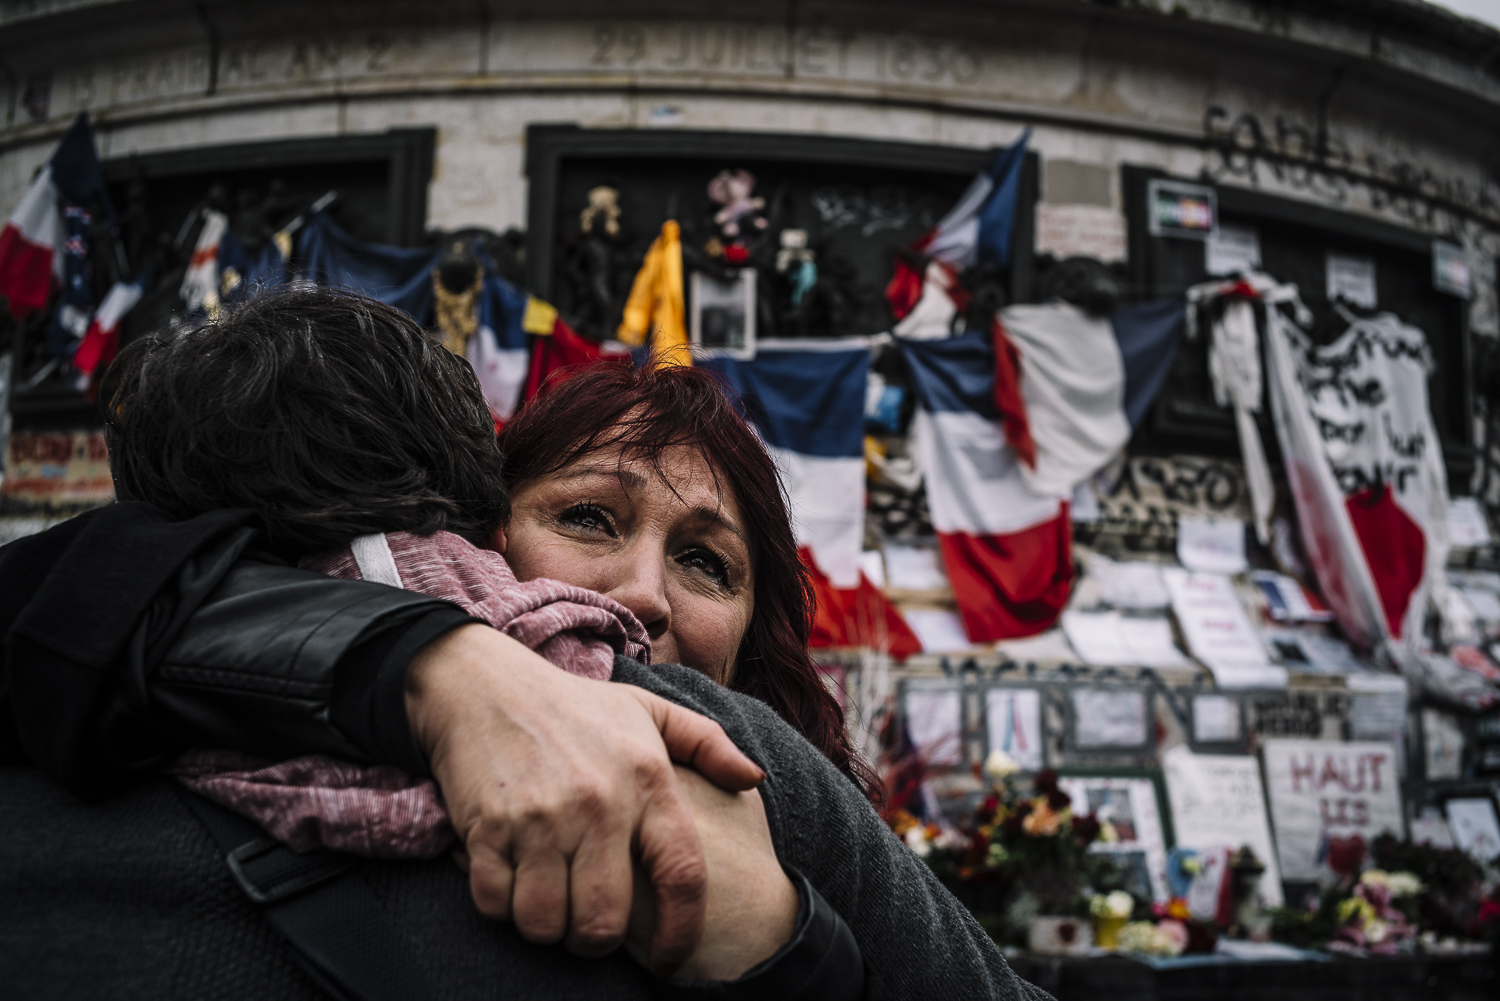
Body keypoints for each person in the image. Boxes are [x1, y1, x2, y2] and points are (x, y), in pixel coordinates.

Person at [0, 287, 1050, 1000]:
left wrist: (788, 933)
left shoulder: (761, 777)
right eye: (590, 517)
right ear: (476, 526)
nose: (641, 599)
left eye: (708, 562)